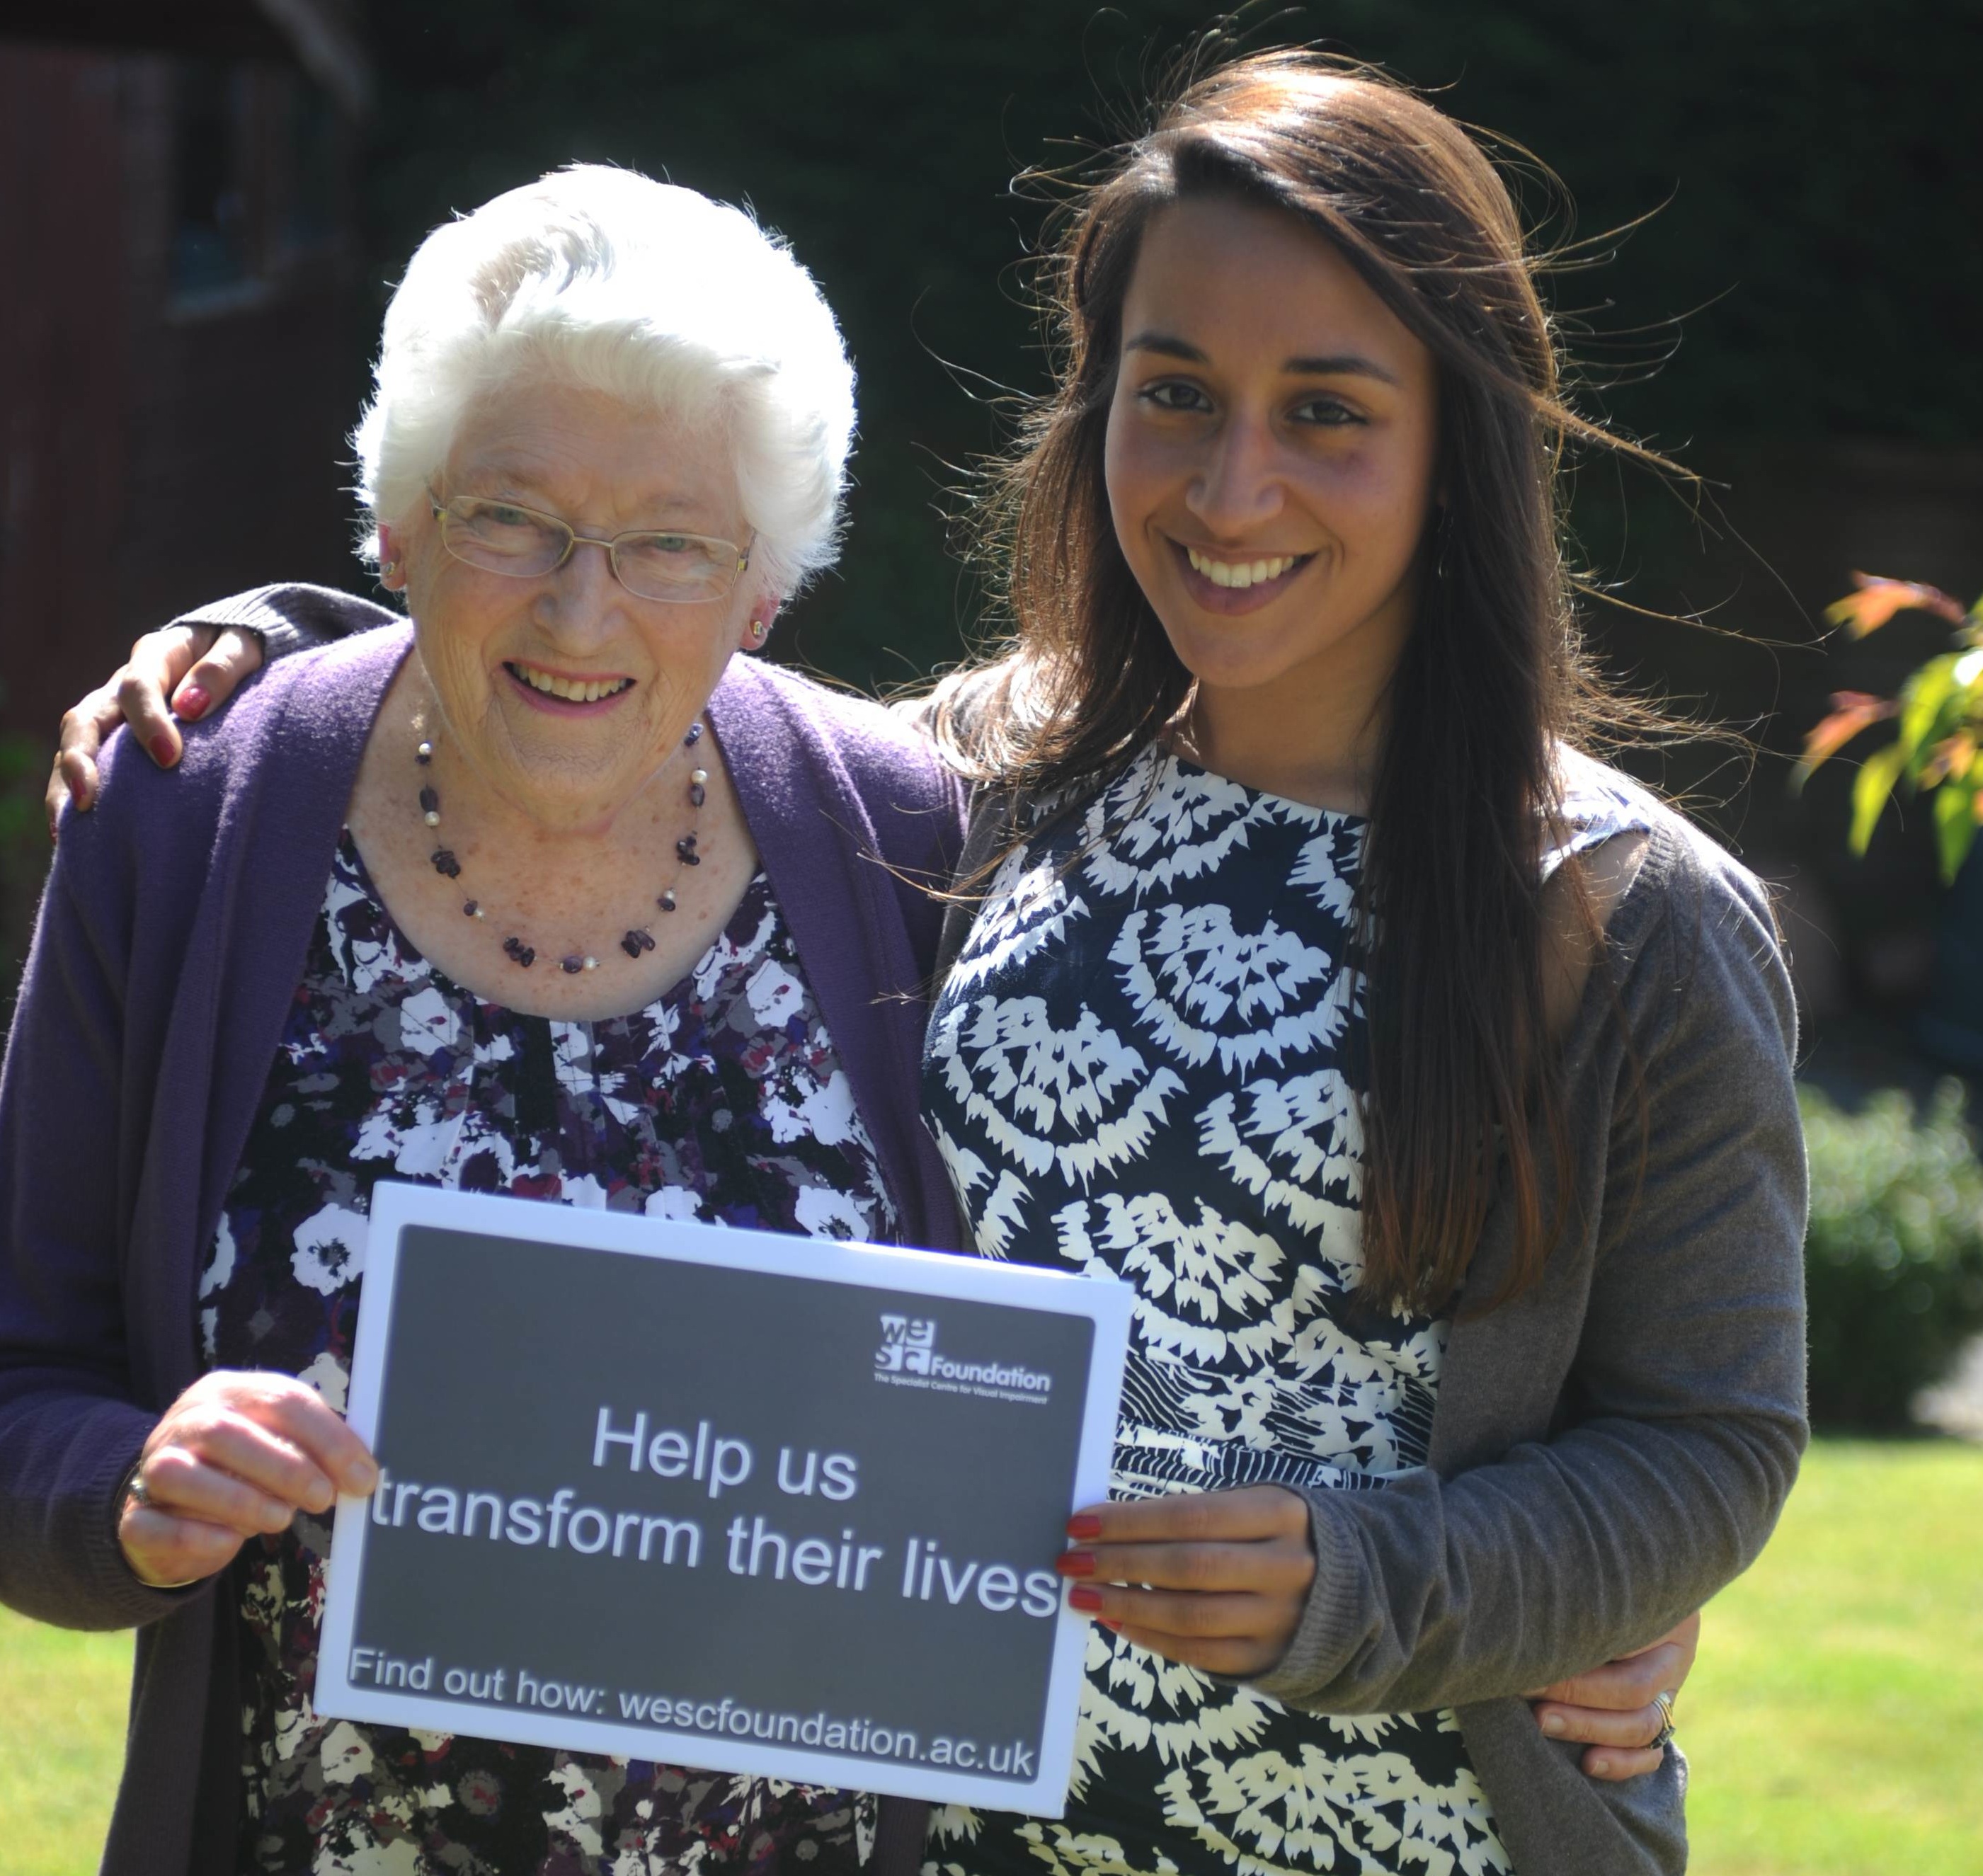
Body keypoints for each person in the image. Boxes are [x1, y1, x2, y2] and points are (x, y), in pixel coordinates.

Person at [35, 56, 1773, 1876]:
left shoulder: (1624, 907)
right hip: (947, 1835)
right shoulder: (988, 783)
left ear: (1462, 441)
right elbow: (613, 655)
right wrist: (271, 641)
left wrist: (1398, 1581)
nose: (1234, 482)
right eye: (1175, 392)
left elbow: (1712, 1439)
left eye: (1327, 410)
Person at [0, 166, 966, 1876]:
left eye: (670, 544)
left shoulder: (909, 840)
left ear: (760, 589)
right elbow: (22, 1374)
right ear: (401, 529)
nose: (584, 610)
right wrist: (134, 1484)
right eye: (510, 517)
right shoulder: (182, 813)